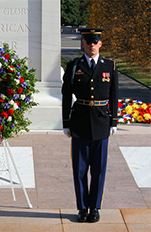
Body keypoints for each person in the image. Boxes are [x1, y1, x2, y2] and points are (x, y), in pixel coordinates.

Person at [61, 28, 118, 223]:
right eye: (88, 42)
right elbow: (67, 95)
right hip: (80, 122)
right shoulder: (73, 66)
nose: (92, 45)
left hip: (101, 122)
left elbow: (114, 96)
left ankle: (95, 207)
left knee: (99, 169)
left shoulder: (109, 66)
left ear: (100, 44)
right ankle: (82, 207)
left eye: (95, 42)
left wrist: (114, 121)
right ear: (83, 44)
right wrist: (66, 122)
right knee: (80, 169)